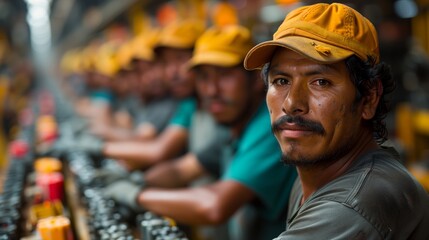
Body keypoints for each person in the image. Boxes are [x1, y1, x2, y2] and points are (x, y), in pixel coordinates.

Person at [243, 3, 429, 239]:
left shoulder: (351, 205)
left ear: (369, 98)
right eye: (281, 81)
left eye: (320, 82)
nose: (291, 103)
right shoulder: (316, 172)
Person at [102, 25, 297, 240]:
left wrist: (136, 195)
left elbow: (214, 206)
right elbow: (181, 170)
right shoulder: (231, 129)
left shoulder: (271, 129)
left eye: (224, 75)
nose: (212, 90)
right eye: (203, 77)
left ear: (256, 80)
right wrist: (136, 180)